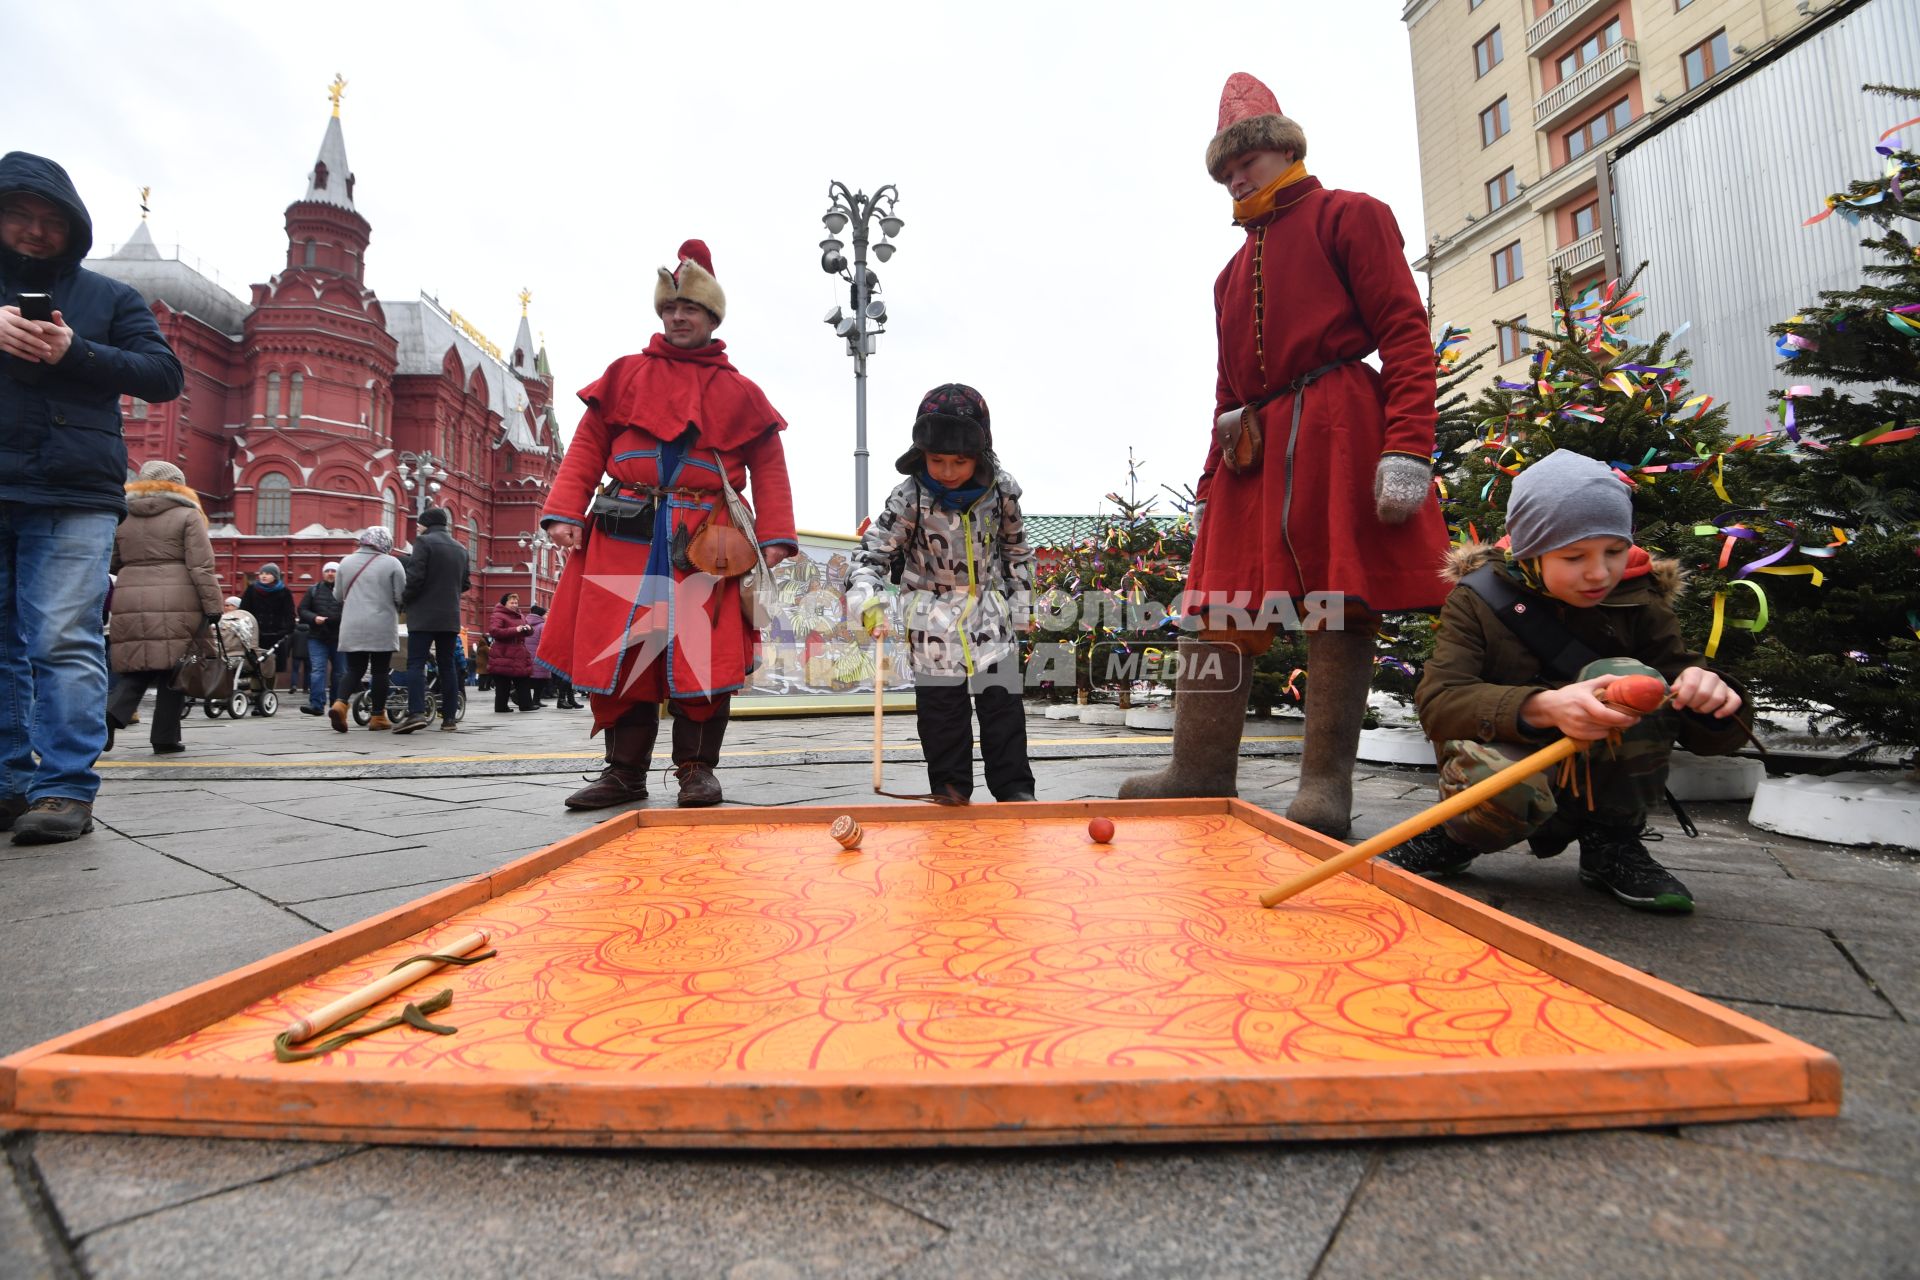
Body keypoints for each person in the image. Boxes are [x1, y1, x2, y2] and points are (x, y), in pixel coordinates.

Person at [1118, 74, 1449, 838]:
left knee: (1340, 605)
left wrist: (1408, 446)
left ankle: (1323, 789)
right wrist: (1209, 478)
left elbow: (1403, 333)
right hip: (1251, 452)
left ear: (1286, 149)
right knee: (1216, 608)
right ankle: (1196, 767)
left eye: (1249, 161)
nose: (1236, 177)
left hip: (1337, 426)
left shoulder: (1352, 215)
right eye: (1226, 170)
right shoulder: (1227, 275)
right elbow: (1225, 387)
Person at [1381, 450, 1751, 913]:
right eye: (1574, 556)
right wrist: (1543, 706)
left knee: (1635, 680)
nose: (1599, 573)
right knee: (1499, 784)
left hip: (1606, 770)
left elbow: (1699, 717)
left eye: (1614, 551)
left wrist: (1713, 697)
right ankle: (1457, 834)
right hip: (1514, 757)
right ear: (1531, 552)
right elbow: (1439, 702)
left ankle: (1611, 841)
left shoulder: (1641, 598)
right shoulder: (1476, 600)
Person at [539, 239, 797, 810]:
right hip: (622, 536)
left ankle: (697, 771)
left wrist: (776, 535)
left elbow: (769, 467)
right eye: (670, 309)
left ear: (711, 317)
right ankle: (623, 774)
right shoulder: (624, 374)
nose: (679, 318)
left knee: (701, 654)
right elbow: (586, 448)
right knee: (626, 652)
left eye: (691, 310)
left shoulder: (741, 391)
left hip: (708, 542)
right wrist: (562, 511)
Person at [1, 152, 185, 844]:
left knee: (60, 635)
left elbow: (163, 373)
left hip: (72, 489)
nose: (34, 230)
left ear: (72, 227)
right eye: (20, 213)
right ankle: (9, 782)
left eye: (51, 219)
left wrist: (73, 351)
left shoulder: (109, 298)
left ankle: (64, 787)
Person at [846, 384, 1036, 803]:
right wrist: (869, 598)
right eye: (937, 461)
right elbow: (871, 555)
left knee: (1003, 709)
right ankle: (950, 790)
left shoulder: (1002, 492)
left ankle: (1016, 792)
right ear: (921, 455)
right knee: (942, 714)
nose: (948, 471)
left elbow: (1016, 550)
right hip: (930, 623)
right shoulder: (909, 496)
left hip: (990, 619)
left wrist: (1021, 606)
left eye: (960, 462)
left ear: (981, 455)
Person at [102, 461, 224, 756]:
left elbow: (111, 561)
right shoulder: (187, 515)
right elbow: (201, 566)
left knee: (140, 665)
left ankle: (111, 714)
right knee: (177, 668)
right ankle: (165, 738)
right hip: (177, 595)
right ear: (177, 484)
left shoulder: (122, 515)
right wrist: (213, 605)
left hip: (130, 594)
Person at [393, 506, 470, 734]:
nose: (418, 527)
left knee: (416, 663)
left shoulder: (423, 543)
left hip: (423, 615)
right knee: (447, 665)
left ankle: (416, 713)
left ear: (427, 524)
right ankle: (449, 719)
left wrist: (404, 599)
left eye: (419, 524)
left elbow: (415, 578)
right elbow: (466, 584)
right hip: (449, 616)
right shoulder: (461, 548)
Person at [328, 526, 406, 733]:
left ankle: (340, 704)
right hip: (381, 624)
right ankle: (378, 717)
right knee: (380, 671)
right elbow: (401, 596)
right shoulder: (392, 563)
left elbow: (337, 595)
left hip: (352, 624)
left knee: (354, 669)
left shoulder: (345, 562)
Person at [238, 563, 295, 704]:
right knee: (254, 665)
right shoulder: (251, 590)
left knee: (271, 666)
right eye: (262, 573)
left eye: (268, 573)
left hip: (276, 635)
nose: (264, 575)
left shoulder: (284, 592)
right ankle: (256, 695)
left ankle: (267, 694)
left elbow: (289, 614)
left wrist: (286, 630)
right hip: (255, 635)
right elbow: (243, 611)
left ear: (275, 576)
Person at [297, 561, 343, 715]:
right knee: (317, 670)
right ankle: (316, 704)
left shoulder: (345, 591)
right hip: (317, 636)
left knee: (339, 673)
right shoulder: (314, 590)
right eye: (327, 570)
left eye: (334, 571)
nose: (330, 573)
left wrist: (335, 619)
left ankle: (337, 705)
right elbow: (302, 609)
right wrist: (314, 618)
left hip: (339, 638)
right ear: (323, 573)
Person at [487, 593, 537, 713]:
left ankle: (526, 704)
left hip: (519, 652)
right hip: (503, 652)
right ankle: (501, 707)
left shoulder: (520, 615)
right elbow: (495, 631)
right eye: (512, 603)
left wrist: (529, 629)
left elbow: (528, 629)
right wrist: (515, 630)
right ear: (505, 603)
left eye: (516, 603)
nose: (514, 605)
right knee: (503, 682)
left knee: (523, 679)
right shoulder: (498, 615)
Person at [524, 604, 550, 708]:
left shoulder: (526, 624)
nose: (547, 616)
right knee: (541, 681)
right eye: (545, 615)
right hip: (539, 657)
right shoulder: (542, 626)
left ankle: (531, 700)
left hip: (527, 656)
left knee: (530, 679)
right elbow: (545, 642)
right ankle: (536, 700)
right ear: (541, 615)